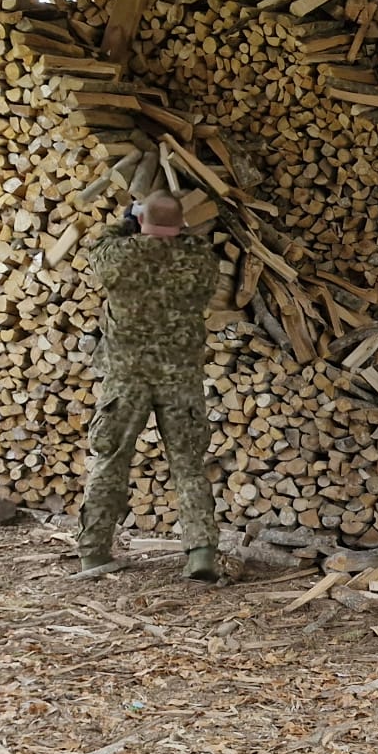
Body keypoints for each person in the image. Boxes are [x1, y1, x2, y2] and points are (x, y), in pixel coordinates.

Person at [77, 191, 222, 581]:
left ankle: (93, 552)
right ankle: (201, 552)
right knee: (188, 465)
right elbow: (196, 251)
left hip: (127, 379)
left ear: (141, 220)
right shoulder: (199, 261)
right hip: (180, 380)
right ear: (181, 224)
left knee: (111, 461)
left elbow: (99, 246)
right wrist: (175, 228)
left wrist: (128, 220)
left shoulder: (118, 258)